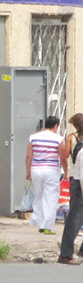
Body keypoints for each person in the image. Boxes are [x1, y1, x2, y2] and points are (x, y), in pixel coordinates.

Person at [26, 115, 66, 236]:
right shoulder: (58, 139)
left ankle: (37, 221)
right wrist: (66, 171)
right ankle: (47, 226)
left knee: (39, 195)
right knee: (51, 197)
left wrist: (28, 172)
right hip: (51, 170)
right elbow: (63, 157)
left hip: (36, 169)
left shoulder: (33, 137)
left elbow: (28, 156)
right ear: (56, 126)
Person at [58, 113, 83, 264]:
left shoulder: (72, 138)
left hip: (75, 177)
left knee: (76, 217)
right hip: (79, 182)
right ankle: (66, 254)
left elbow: (65, 155)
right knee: (74, 218)